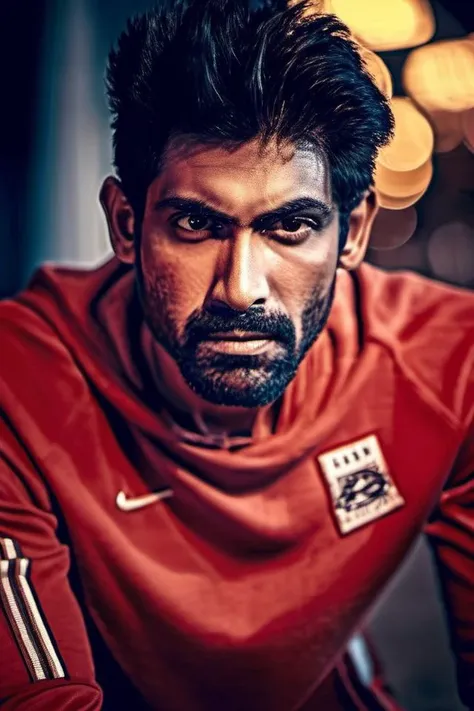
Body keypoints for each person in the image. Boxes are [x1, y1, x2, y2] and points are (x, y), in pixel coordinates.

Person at [0, 0, 473, 709]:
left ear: (353, 232)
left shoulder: (449, 366)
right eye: (196, 223)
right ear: (127, 224)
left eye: (291, 226)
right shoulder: (19, 382)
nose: (241, 288)